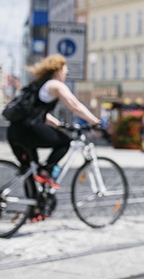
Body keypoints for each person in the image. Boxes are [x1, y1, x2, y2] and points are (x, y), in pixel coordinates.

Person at [7, 54, 100, 191]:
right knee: (65, 141)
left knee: (31, 172)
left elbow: (37, 112)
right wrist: (95, 121)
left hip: (15, 131)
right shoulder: (55, 85)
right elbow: (75, 105)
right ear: (58, 70)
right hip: (29, 130)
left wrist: (57, 124)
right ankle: (47, 170)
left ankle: (35, 209)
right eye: (65, 71)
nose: (66, 74)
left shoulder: (38, 85)